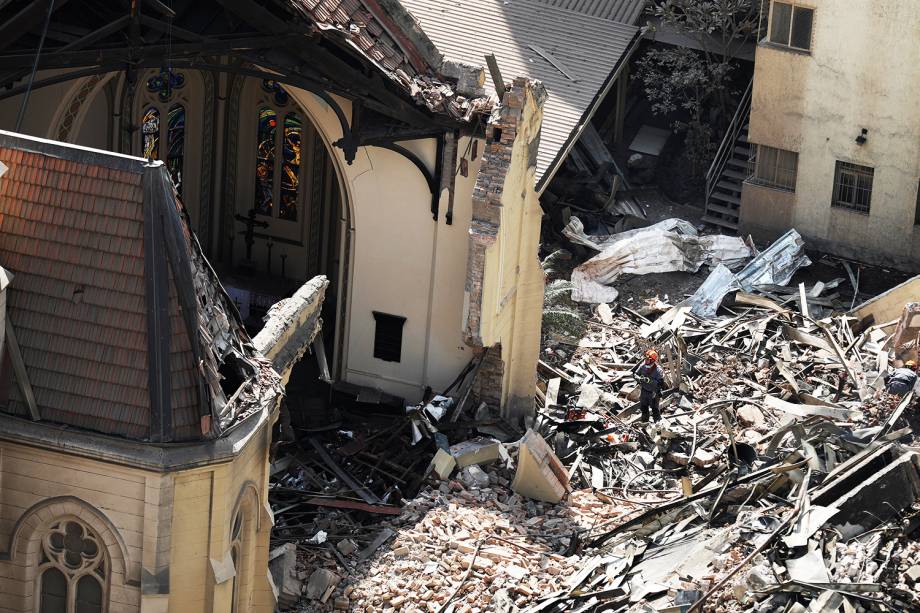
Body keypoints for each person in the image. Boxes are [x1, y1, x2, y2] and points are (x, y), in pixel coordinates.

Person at [636, 349, 666, 422]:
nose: (646, 361)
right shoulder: (643, 366)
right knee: (644, 408)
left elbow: (661, 384)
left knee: (655, 410)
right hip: (644, 391)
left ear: (652, 361)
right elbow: (635, 374)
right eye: (645, 359)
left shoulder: (658, 370)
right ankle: (645, 423)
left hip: (653, 393)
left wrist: (650, 381)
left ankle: (658, 425)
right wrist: (639, 378)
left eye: (648, 359)